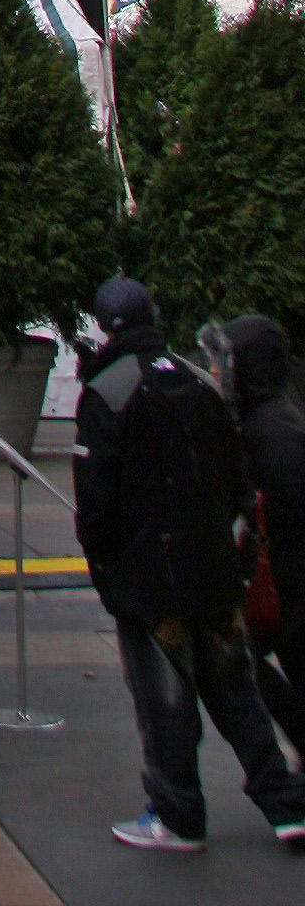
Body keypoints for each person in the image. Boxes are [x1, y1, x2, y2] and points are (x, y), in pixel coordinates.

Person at [74, 273, 305, 853]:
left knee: (165, 699)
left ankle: (178, 814)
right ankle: (285, 806)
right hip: (213, 575)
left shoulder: (108, 390)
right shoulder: (195, 385)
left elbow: (96, 501)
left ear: (105, 326)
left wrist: (108, 568)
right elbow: (235, 484)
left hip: (153, 579)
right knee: (237, 694)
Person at [206, 314, 305, 762]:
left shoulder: (272, 430)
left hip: (288, 584)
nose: (214, 373)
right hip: (281, 584)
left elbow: (280, 509)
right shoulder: (265, 421)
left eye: (221, 363)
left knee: (243, 664)